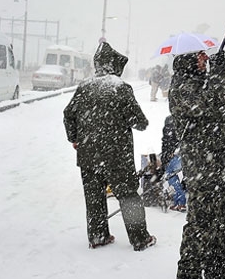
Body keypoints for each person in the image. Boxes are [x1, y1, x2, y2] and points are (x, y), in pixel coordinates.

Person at [63, 41, 156, 251]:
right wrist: (134, 121)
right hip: (116, 156)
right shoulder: (120, 88)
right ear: (115, 65)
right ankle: (140, 238)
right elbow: (139, 121)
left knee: (94, 197)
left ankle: (98, 236)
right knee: (128, 196)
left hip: (88, 155)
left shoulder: (84, 87)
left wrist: (74, 138)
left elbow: (68, 114)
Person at [169, 50, 225, 279]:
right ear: (188, 60)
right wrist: (216, 76)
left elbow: (224, 95)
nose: (205, 59)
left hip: (223, 165)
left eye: (206, 56)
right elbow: (208, 103)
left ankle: (217, 271)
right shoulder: (181, 88)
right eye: (200, 57)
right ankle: (189, 273)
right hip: (202, 168)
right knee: (200, 223)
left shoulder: (202, 82)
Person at [161, 115, 186, 212]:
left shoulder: (169, 129)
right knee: (174, 177)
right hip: (182, 154)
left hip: (175, 155)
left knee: (171, 176)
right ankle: (177, 202)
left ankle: (180, 203)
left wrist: (167, 156)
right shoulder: (180, 127)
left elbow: (167, 144)